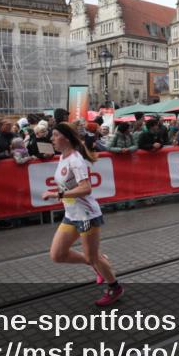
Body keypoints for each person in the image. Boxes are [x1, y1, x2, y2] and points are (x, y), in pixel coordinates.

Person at [42, 123, 122, 307]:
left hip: (87, 216)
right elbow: (68, 184)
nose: (52, 139)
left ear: (66, 138)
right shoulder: (63, 157)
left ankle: (114, 287)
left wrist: (58, 194)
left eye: (55, 135)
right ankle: (97, 261)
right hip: (72, 214)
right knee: (57, 255)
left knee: (91, 257)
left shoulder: (75, 160)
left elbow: (86, 188)